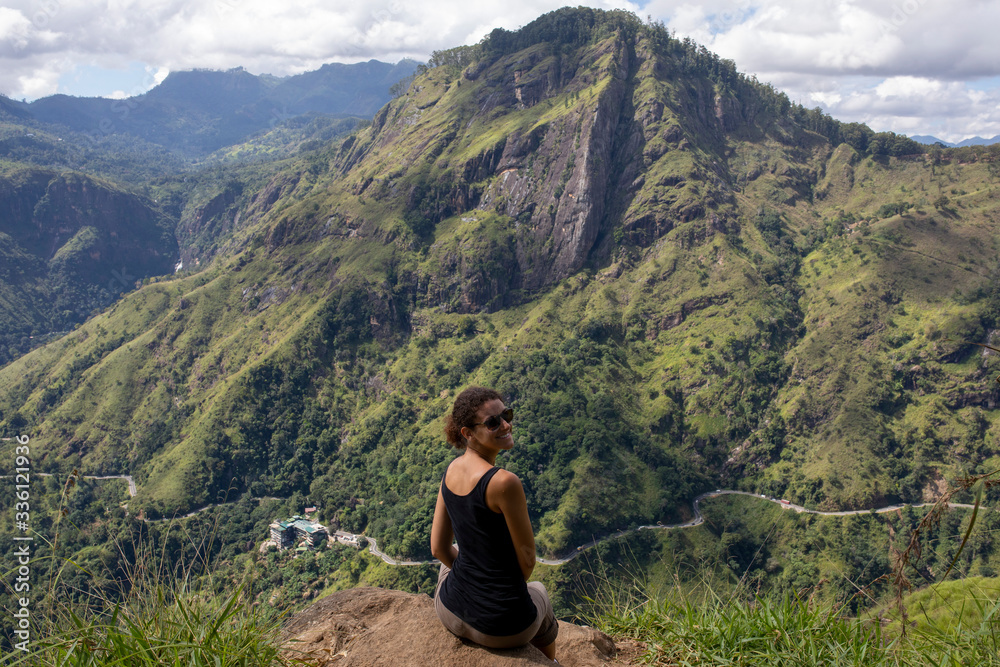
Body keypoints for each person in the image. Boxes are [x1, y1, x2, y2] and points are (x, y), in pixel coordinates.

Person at [430, 386, 559, 662]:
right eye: (493, 422)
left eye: (506, 415)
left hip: (449, 611)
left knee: (450, 561)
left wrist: (475, 579)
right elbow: (527, 562)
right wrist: (495, 591)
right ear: (468, 433)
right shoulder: (504, 482)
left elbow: (439, 548)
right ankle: (551, 662)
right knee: (540, 592)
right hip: (502, 630)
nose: (506, 424)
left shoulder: (451, 470)